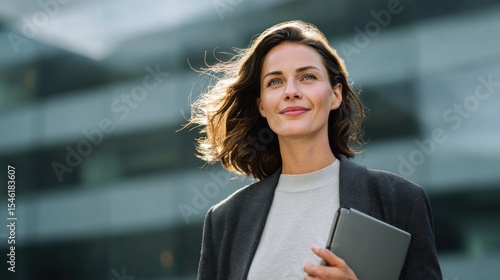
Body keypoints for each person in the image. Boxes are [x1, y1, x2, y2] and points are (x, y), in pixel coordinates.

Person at [188, 20, 442, 279]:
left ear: (335, 94)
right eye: (275, 82)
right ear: (262, 106)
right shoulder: (225, 220)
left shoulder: (399, 200)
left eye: (307, 77)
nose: (291, 91)